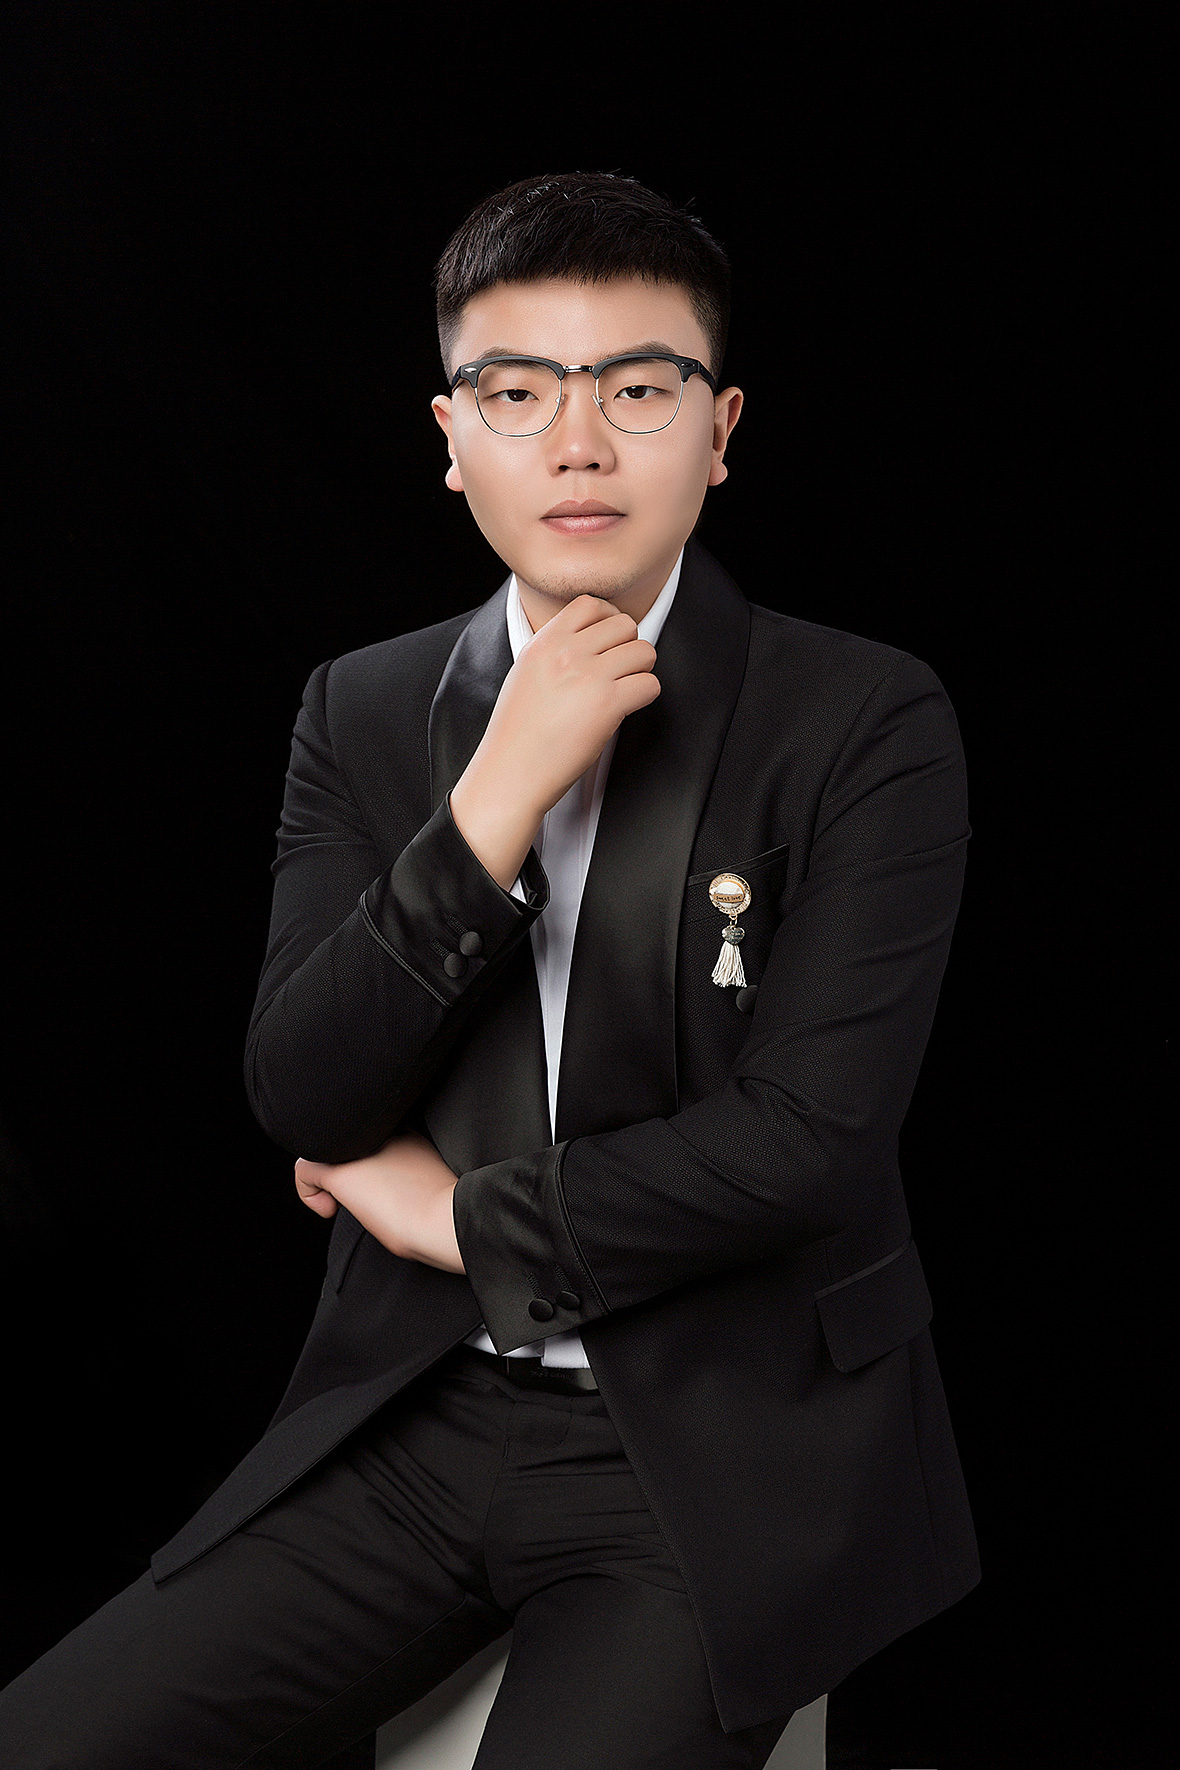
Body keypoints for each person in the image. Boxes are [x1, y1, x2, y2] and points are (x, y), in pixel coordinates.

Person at [0, 170, 980, 1769]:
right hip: (419, 1416)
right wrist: (492, 801)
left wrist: (452, 1217)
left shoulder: (865, 717)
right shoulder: (365, 707)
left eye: (638, 388)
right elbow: (304, 1085)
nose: (578, 442)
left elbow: (808, 1143)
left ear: (720, 430)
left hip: (717, 1445)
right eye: (517, 392)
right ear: (452, 437)